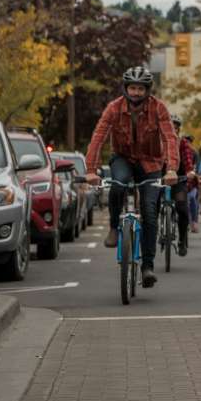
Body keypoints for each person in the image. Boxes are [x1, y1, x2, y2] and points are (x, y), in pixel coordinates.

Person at [84, 66, 179, 288]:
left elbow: (170, 139)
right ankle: (114, 228)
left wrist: (172, 169)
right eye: (132, 88)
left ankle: (147, 267)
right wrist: (91, 170)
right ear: (126, 88)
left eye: (140, 88)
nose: (136, 92)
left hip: (151, 162)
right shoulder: (114, 108)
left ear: (147, 90)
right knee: (117, 185)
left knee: (149, 211)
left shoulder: (159, 109)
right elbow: (98, 137)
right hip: (123, 159)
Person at [169, 117, 197, 255]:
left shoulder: (182, 143)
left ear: (178, 130)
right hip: (160, 179)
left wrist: (190, 172)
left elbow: (187, 159)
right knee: (150, 206)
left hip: (179, 180)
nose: (172, 129)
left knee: (182, 208)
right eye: (169, 126)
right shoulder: (158, 141)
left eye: (175, 127)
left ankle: (181, 239)